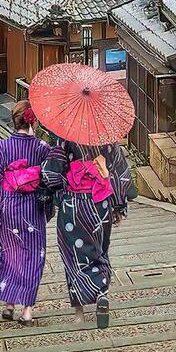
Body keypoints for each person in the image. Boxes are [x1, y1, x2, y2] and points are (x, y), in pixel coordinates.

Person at [42, 131, 134, 328]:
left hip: (73, 206)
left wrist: (64, 186)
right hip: (100, 203)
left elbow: (51, 175)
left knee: (73, 255)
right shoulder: (107, 138)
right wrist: (118, 206)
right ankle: (101, 294)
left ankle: (79, 313)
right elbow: (118, 173)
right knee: (99, 249)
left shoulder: (65, 136)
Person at [0, 102, 56, 325]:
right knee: (32, 257)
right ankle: (27, 311)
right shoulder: (42, 148)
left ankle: (9, 304)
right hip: (32, 208)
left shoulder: (1, 147)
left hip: (9, 206)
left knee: (10, 254)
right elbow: (50, 178)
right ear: (33, 121)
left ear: (14, 121)